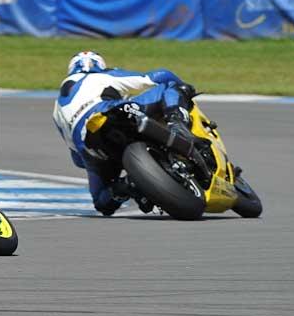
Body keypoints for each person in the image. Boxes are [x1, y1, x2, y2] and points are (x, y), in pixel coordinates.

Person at [52, 51, 197, 216]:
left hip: (90, 147)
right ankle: (178, 124)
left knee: (102, 203)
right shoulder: (102, 76)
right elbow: (158, 76)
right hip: (109, 113)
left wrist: (97, 162)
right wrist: (186, 93)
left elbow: (77, 158)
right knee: (171, 87)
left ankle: (127, 185)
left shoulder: (57, 108)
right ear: (100, 65)